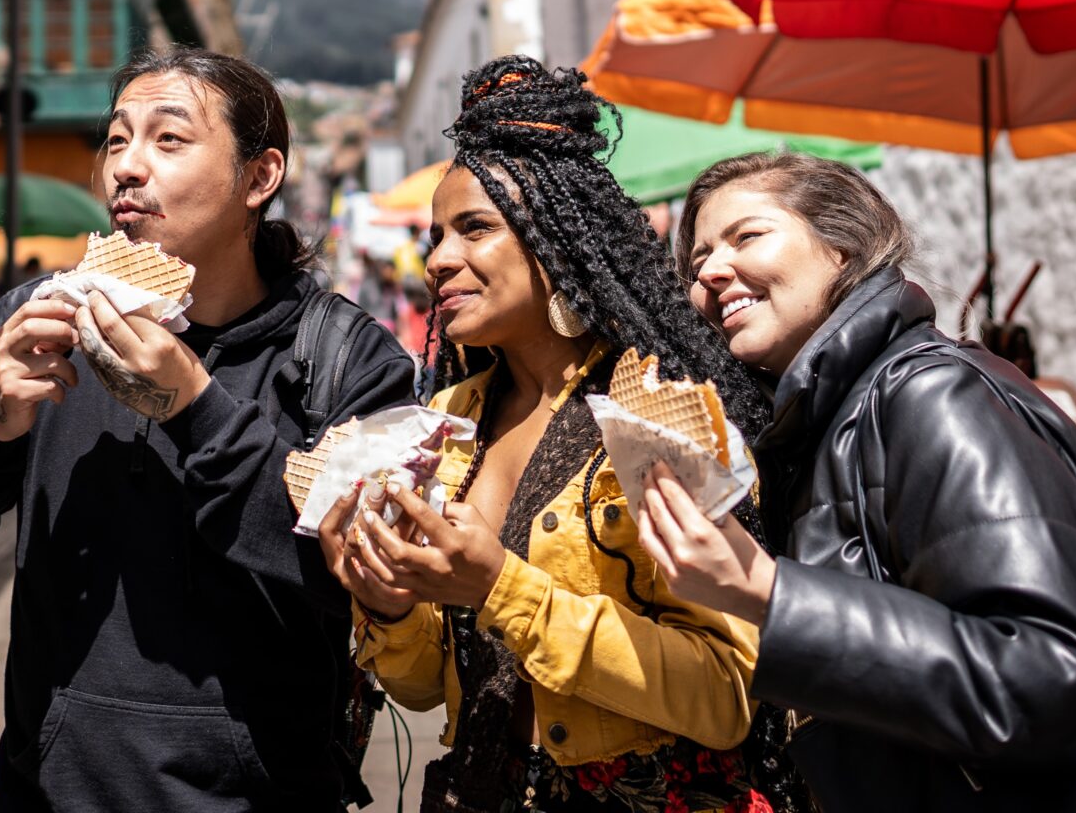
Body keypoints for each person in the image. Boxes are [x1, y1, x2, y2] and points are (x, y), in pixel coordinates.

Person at [0, 47, 416, 812]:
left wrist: (196, 407)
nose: (126, 168)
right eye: (116, 140)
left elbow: (356, 580)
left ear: (259, 177)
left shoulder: (345, 356)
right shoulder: (45, 316)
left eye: (168, 140)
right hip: (45, 792)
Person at [317, 58, 782, 812]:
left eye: (475, 228)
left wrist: (503, 587)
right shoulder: (451, 422)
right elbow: (422, 690)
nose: (437, 260)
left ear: (556, 239)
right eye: (437, 234)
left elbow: (726, 694)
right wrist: (392, 606)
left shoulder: (656, 410)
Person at [635, 152, 1076, 811]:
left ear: (841, 247)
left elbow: (1051, 676)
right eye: (697, 261)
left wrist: (769, 592)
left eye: (746, 236)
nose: (711, 272)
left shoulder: (927, 394)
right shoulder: (814, 422)